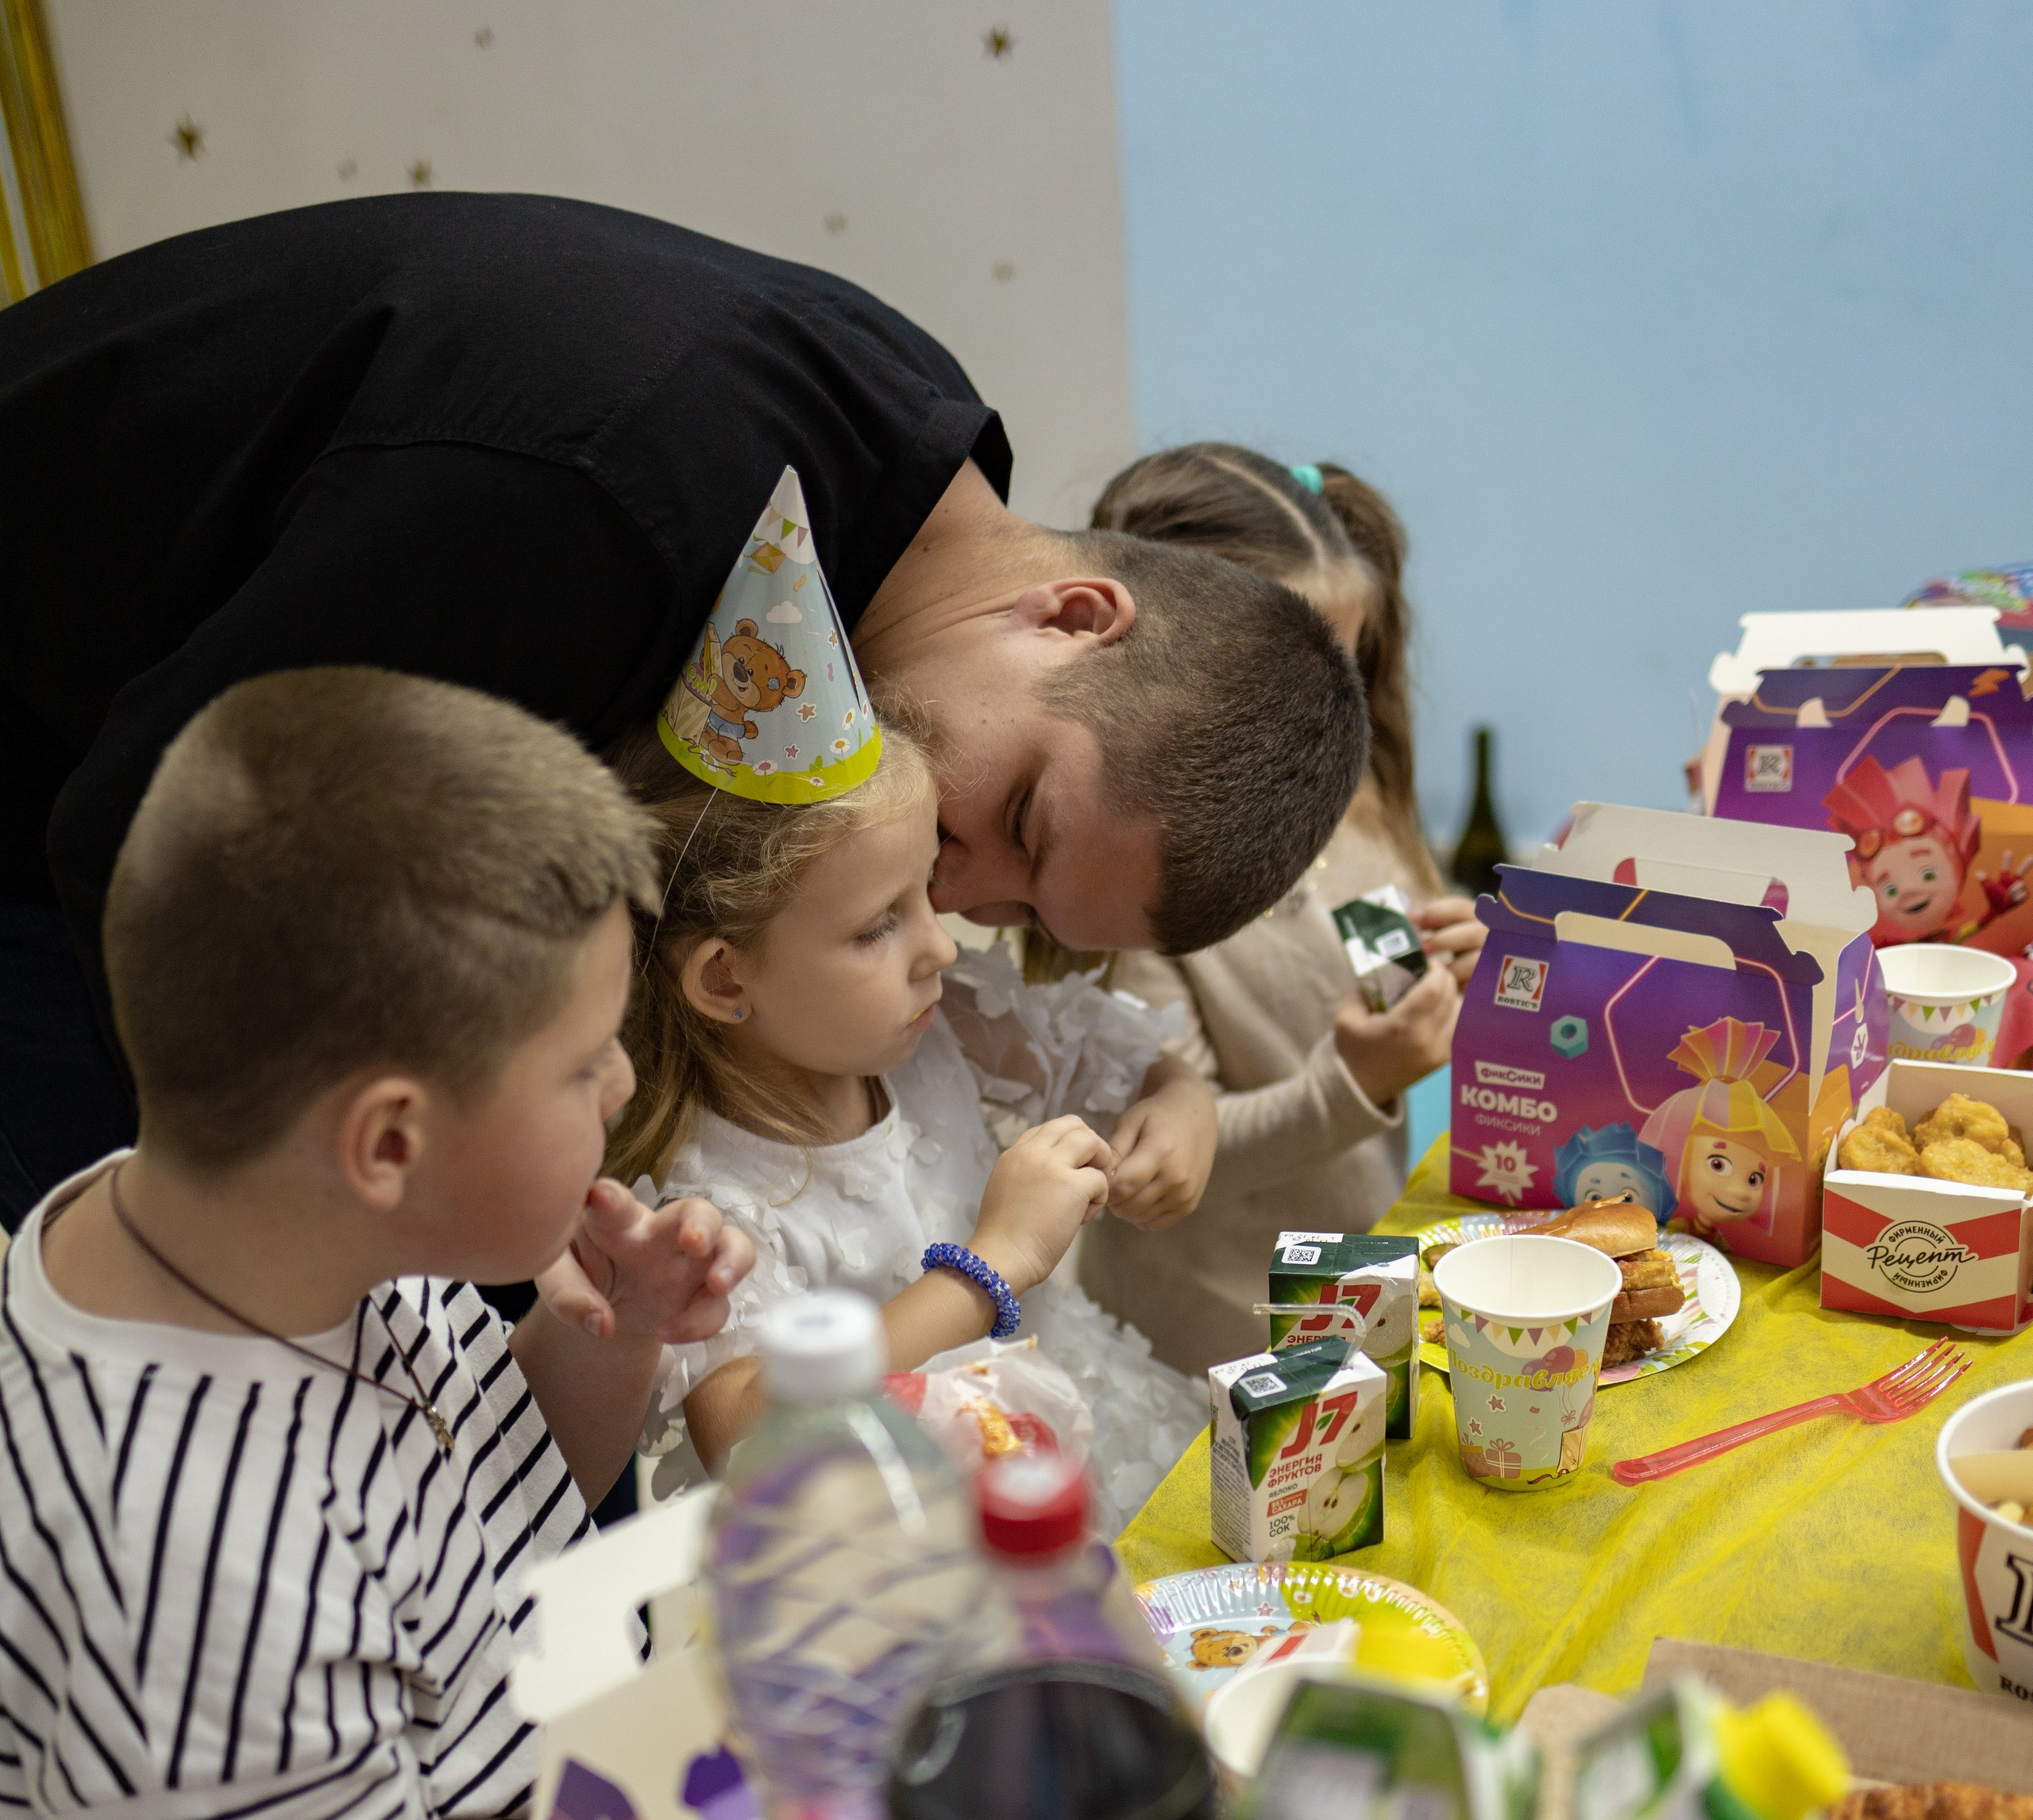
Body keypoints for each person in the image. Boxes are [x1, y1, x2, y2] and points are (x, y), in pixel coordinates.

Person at [0, 195, 1365, 1224]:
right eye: (1017, 814)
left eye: (1014, 909)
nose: (955, 885)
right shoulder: (609, 513)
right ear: (1074, 614)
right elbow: (151, 849)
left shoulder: (906, 501)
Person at [0, 666, 755, 1820]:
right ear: (391, 1139)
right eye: (583, 1065)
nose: (626, 1082)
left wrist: (608, 1335)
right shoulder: (166, 1574)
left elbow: (473, 1513)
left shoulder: (274, 1239)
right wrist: (690, 1742)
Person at [609, 718, 1211, 1530]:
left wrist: (1181, 1109)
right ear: (724, 977)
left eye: (925, 892)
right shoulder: (704, 1205)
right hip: (933, 1539)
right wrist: (989, 1266)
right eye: (877, 925)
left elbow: (1131, 1062)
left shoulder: (937, 1028)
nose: (940, 948)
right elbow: (747, 1432)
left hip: (1096, 1438)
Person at [1071, 444, 1483, 1376]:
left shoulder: (1357, 795)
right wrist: (1352, 1083)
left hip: (1352, 1286)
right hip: (1206, 1350)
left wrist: (1460, 964)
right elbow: (1161, 1162)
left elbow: (1373, 961)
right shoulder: (1118, 886)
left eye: (1349, 665)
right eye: (1297, 670)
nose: (1331, 713)